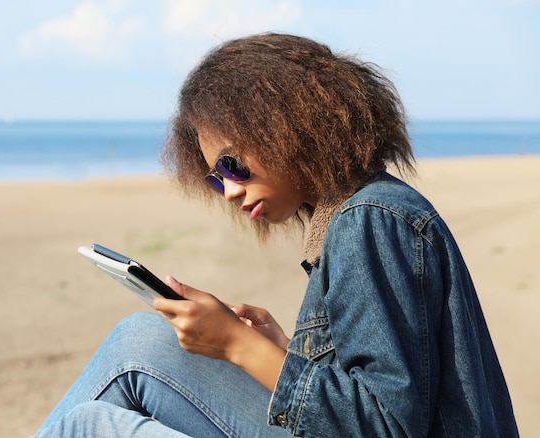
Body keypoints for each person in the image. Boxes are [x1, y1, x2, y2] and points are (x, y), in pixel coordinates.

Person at [33, 33, 518, 437]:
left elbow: (386, 424)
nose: (226, 190)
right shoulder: (363, 213)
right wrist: (285, 351)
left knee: (93, 419)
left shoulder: (369, 219)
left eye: (230, 164)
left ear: (288, 124)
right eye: (214, 178)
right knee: (138, 341)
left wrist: (236, 345)